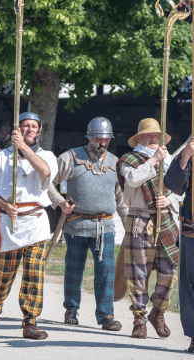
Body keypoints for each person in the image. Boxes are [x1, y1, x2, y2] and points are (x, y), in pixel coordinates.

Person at [0, 112, 58, 340]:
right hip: (9, 223)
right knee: (4, 275)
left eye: (33, 126)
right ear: (17, 129)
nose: (29, 129)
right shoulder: (2, 157)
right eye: (25, 126)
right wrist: (4, 204)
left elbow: (45, 172)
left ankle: (30, 322)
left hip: (36, 223)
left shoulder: (47, 156)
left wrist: (23, 148)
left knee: (34, 272)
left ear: (39, 130)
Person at [47, 117, 128, 331]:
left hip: (105, 227)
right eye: (99, 140)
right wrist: (61, 202)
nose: (102, 144)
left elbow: (121, 200)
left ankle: (106, 315)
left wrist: (130, 226)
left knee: (106, 272)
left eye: (106, 140)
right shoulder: (70, 158)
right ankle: (71, 310)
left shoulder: (115, 162)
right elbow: (48, 184)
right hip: (76, 225)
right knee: (74, 270)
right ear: (89, 137)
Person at [116, 118, 179, 339]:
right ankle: (139, 319)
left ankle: (157, 312)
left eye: (157, 136)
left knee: (169, 271)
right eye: (149, 136)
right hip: (139, 219)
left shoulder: (168, 159)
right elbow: (133, 180)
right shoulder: (128, 159)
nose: (154, 139)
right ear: (139, 138)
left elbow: (180, 188)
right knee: (137, 273)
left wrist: (169, 200)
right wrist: (153, 160)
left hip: (165, 219)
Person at [164, 136, 194, 353]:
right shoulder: (190, 154)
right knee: (190, 287)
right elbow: (172, 185)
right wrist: (185, 155)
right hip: (191, 230)